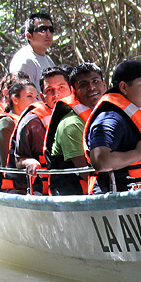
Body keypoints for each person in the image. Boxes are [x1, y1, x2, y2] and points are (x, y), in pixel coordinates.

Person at [86, 60, 141, 192]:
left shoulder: (131, 113)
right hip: (123, 201)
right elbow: (100, 161)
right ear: (124, 88)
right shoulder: (111, 118)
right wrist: (139, 154)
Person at [10, 65, 73, 194]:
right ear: (42, 96)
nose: (56, 95)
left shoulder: (82, 111)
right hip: (43, 190)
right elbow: (18, 159)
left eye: (61, 88)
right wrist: (29, 162)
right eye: (50, 90)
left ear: (71, 89)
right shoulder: (31, 122)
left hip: (77, 183)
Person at [44, 63, 104, 195]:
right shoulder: (71, 125)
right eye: (83, 84)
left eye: (95, 81)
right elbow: (87, 175)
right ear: (74, 91)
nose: (91, 87)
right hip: (77, 196)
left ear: (104, 85)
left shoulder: (108, 116)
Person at [0, 81, 38, 191]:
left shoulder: (30, 123)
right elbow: (8, 166)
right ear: (15, 99)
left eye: (37, 97)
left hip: (28, 185)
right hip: (5, 189)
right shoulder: (6, 123)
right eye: (30, 96)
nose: (35, 102)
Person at [8, 12, 55, 92]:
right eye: (42, 30)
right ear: (29, 36)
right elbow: (21, 95)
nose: (48, 34)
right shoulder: (24, 60)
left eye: (51, 30)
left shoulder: (49, 61)